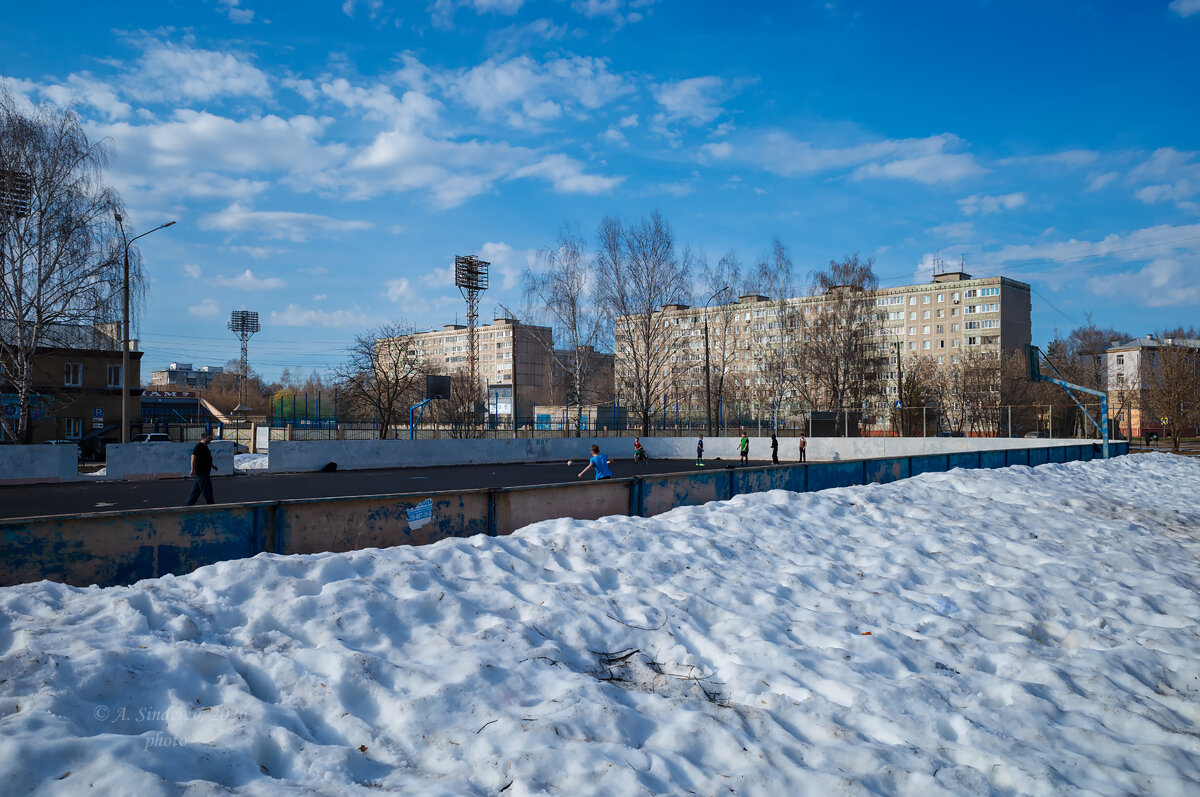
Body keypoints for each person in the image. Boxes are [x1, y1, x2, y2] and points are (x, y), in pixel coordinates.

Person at [186, 432, 218, 505]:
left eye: (210, 438)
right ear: (203, 438)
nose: (210, 440)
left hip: (204, 473)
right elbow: (193, 457)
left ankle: (188, 506)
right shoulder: (199, 446)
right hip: (202, 473)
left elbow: (206, 459)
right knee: (207, 490)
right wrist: (192, 469)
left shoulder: (205, 447)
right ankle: (211, 505)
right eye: (208, 438)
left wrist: (213, 466)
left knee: (195, 492)